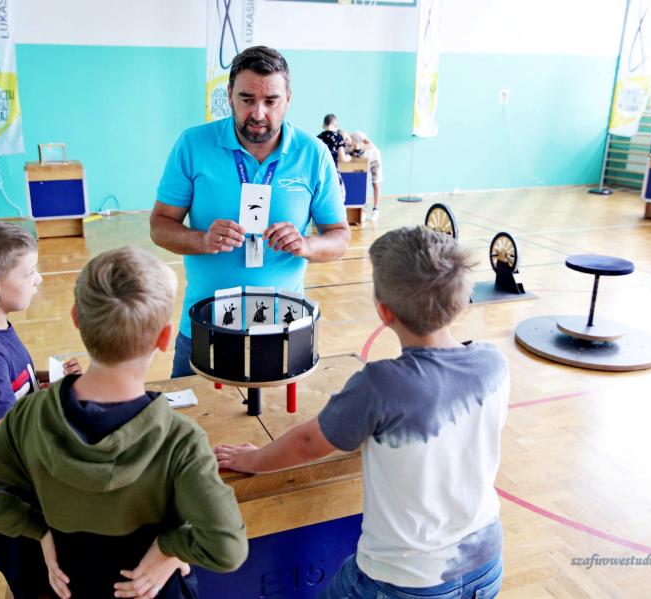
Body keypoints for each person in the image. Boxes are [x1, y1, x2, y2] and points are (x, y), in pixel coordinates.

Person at [0, 245, 249, 599]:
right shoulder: (181, 441)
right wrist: (169, 548)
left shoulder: (28, 417)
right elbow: (227, 549)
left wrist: (38, 529)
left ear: (76, 319)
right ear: (163, 338)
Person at [215, 227, 509, 599]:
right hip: (486, 563)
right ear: (462, 300)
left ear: (384, 312)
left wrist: (253, 459)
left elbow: (308, 443)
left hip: (405, 580)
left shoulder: (381, 384)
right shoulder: (493, 362)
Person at [150, 45, 350, 378]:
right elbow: (159, 226)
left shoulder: (313, 154)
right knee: (195, 412)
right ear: (229, 95)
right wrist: (202, 240)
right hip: (205, 327)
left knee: (279, 415)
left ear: (288, 99)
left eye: (271, 101)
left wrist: (306, 245)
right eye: (247, 99)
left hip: (284, 331)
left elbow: (340, 237)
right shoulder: (193, 145)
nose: (258, 113)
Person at [0, 220, 81, 598]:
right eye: (29, 272)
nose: (39, 279)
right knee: (35, 581)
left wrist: (49, 381)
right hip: (17, 498)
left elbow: (15, 386)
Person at [350, 131, 383, 222]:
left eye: (347, 139)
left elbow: (370, 145)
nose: (346, 142)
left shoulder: (357, 135)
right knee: (362, 184)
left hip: (374, 157)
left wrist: (359, 146)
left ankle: (376, 209)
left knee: (375, 182)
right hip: (364, 161)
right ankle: (362, 211)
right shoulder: (344, 146)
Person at [317, 113, 351, 201]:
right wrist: (348, 158)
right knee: (341, 195)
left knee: (323, 196)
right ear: (335, 124)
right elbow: (342, 158)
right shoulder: (338, 137)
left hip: (320, 172)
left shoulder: (318, 138)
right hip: (333, 171)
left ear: (324, 124)